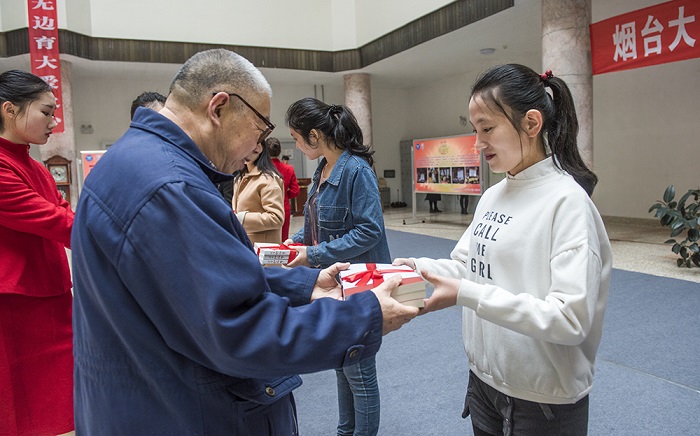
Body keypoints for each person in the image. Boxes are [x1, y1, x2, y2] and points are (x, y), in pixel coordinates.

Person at [70, 49, 419, 434]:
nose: (258, 146)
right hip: (183, 409)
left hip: (156, 398)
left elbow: (202, 280)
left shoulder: (139, 162)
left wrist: (305, 284)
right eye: (260, 129)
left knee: (358, 378)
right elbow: (237, 327)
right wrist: (363, 315)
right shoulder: (170, 187)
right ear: (219, 108)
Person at [395, 64, 611, 436]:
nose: (478, 143)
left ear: (532, 123)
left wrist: (467, 294)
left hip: (543, 400)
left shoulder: (567, 202)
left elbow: (570, 319)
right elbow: (468, 267)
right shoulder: (494, 195)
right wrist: (417, 267)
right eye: (475, 130)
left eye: (487, 128)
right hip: (484, 385)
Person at [285, 97, 390, 436]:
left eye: (297, 138)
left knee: (359, 372)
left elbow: (369, 231)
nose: (297, 146)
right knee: (343, 364)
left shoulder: (356, 170)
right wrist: (295, 242)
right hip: (334, 282)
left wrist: (312, 254)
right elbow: (318, 223)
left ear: (314, 135)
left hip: (359, 283)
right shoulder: (323, 169)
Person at [0, 70, 75, 435]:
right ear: (10, 110)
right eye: (46, 112)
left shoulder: (33, 166)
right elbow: (53, 220)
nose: (53, 121)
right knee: (21, 405)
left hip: (50, 294)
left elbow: (64, 212)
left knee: (57, 401)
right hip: (15, 303)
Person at [232, 139, 285, 244]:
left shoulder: (268, 179)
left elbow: (276, 218)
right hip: (244, 243)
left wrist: (241, 218)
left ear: (259, 148)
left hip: (262, 248)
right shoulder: (239, 178)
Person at [266, 137, 299, 241]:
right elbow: (295, 191)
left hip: (265, 209)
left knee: (266, 240)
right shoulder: (288, 169)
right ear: (280, 151)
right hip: (283, 207)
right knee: (283, 239)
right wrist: (284, 195)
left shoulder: (261, 169)